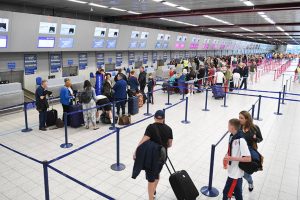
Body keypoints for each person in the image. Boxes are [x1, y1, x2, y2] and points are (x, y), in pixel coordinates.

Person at [133, 110, 173, 200]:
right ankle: (154, 191)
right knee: (157, 174)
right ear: (163, 119)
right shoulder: (169, 129)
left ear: (154, 118)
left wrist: (136, 150)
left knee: (151, 179)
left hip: (151, 157)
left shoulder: (151, 127)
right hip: (162, 156)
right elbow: (169, 144)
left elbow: (144, 140)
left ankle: (151, 198)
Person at [222, 118, 251, 200]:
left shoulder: (241, 140)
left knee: (226, 194)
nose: (227, 127)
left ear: (232, 127)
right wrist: (226, 157)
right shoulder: (232, 136)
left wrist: (231, 158)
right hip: (232, 171)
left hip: (235, 174)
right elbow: (231, 150)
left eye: (228, 125)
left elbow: (248, 158)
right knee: (238, 194)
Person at [239, 111, 263, 192]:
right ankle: (237, 190)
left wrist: (255, 138)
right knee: (238, 173)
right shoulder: (239, 127)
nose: (239, 119)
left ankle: (250, 182)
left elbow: (260, 139)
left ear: (247, 119)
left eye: (241, 118)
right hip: (239, 153)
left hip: (249, 153)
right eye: (239, 117)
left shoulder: (255, 128)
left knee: (246, 174)